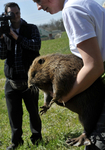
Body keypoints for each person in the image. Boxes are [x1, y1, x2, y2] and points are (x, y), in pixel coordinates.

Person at [32, 0, 105, 149]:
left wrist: (65, 97)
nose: (38, 7)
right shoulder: (82, 2)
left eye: (38, 0)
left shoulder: (72, 10)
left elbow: (94, 66)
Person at [0, 2, 42, 150]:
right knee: (14, 114)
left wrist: (17, 37)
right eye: (12, 14)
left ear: (20, 13)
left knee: (33, 112)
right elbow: (2, 56)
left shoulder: (31, 28)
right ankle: (16, 142)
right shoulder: (5, 31)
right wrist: (2, 38)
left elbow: (36, 46)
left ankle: (37, 140)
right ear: (7, 15)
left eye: (17, 13)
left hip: (30, 79)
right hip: (11, 80)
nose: (15, 16)